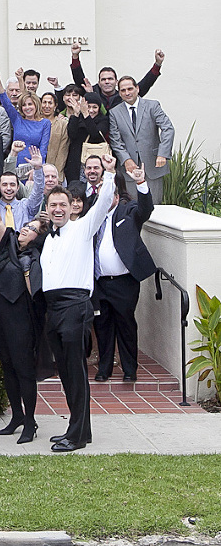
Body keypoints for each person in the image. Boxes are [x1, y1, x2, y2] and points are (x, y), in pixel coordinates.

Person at [40, 155, 118, 451]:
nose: (58, 209)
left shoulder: (83, 227)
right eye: (53, 205)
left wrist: (109, 175)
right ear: (47, 210)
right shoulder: (50, 238)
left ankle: (76, 435)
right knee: (66, 372)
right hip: (54, 308)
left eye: (63, 204)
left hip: (75, 306)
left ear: (72, 207)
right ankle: (79, 430)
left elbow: (102, 205)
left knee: (75, 371)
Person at [0, 198, 49, 443]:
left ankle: (30, 421)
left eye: (32, 229)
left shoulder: (36, 255)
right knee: (7, 368)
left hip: (21, 319)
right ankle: (17, 416)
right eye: (26, 226)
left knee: (23, 371)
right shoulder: (7, 243)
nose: (25, 229)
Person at [93, 164, 157, 383]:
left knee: (126, 325)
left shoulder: (128, 211)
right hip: (99, 282)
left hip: (124, 282)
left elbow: (145, 210)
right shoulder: (93, 216)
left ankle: (130, 370)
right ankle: (104, 369)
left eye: (108, 193)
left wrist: (141, 183)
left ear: (117, 196)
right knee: (102, 326)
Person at [107, 76, 175, 204]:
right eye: (123, 90)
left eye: (130, 88)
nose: (127, 93)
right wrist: (126, 159)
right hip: (129, 170)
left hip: (153, 166)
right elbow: (115, 140)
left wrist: (162, 153)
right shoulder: (114, 113)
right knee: (131, 208)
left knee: (154, 208)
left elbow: (168, 129)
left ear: (137, 88)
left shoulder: (152, 106)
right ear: (119, 93)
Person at [69, 41, 164, 112]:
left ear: (116, 82)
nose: (107, 82)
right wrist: (75, 56)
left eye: (110, 79)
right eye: (103, 79)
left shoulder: (124, 95)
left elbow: (145, 84)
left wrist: (158, 64)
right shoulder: (91, 91)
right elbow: (79, 80)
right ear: (99, 82)